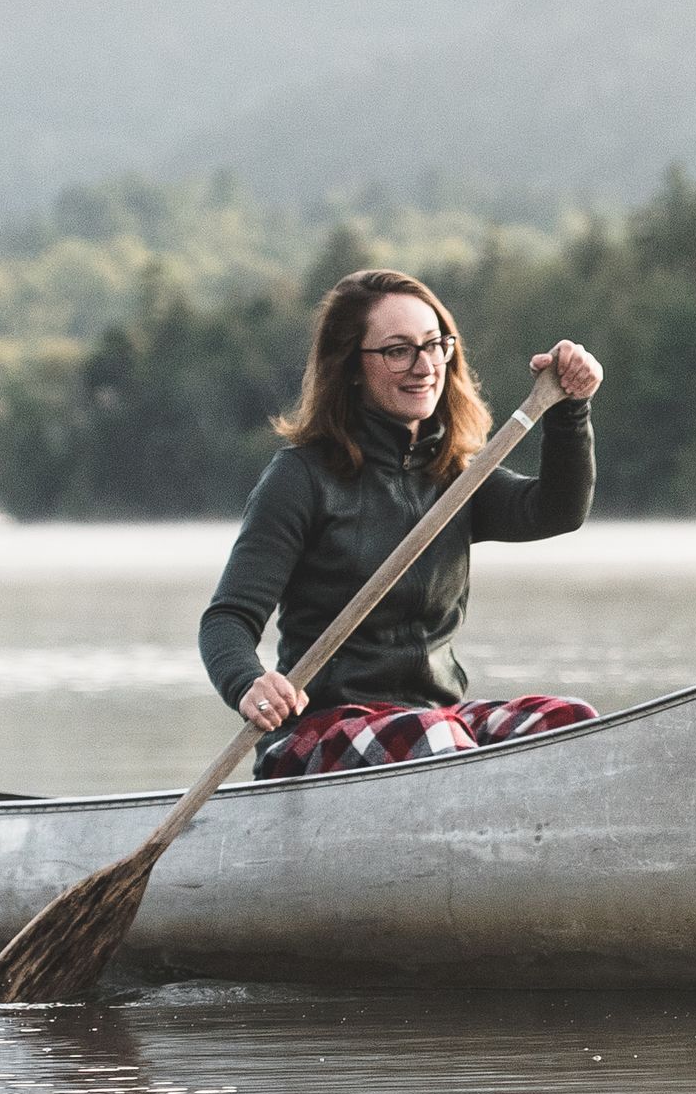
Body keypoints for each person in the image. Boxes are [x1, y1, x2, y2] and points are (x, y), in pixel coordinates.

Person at [199, 267, 603, 779]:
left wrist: (570, 411)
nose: (424, 365)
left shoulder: (455, 476)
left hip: (437, 724)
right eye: (398, 350)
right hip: (317, 735)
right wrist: (248, 683)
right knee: (435, 737)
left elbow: (558, 510)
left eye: (435, 345)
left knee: (570, 723)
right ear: (350, 367)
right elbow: (226, 620)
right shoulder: (301, 477)